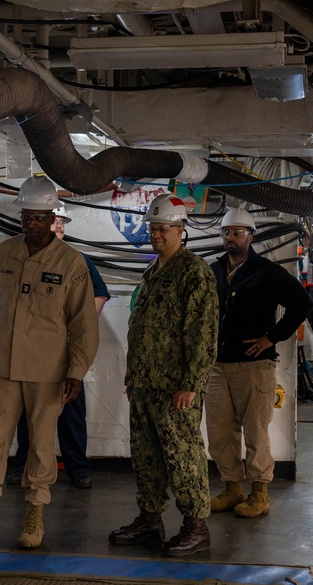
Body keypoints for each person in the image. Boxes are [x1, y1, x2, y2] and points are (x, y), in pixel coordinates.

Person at [0, 176, 98, 550]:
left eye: (38, 217)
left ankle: (34, 518)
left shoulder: (71, 263)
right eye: (26, 217)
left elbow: (84, 326)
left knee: (43, 447)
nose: (30, 223)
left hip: (48, 373)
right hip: (4, 369)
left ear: (51, 217)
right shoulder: (6, 253)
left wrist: (76, 372)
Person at [109, 193, 218, 556]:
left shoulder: (194, 272)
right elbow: (142, 328)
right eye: (153, 228)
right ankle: (150, 519)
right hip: (144, 384)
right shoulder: (154, 270)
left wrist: (191, 384)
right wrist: (132, 378)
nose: (155, 234)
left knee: (183, 457)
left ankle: (196, 526)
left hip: (174, 388)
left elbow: (203, 335)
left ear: (180, 229)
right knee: (147, 457)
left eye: (163, 228)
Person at [205, 207, 313, 518]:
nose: (231, 237)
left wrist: (272, 337)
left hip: (254, 367)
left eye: (238, 232)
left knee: (255, 432)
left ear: (251, 236)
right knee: (219, 432)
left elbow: (302, 304)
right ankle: (232, 488)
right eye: (226, 232)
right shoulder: (213, 271)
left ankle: (259, 492)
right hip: (217, 365)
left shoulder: (267, 272)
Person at [8, 209, 110, 489]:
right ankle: (23, 466)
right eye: (54, 221)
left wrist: (79, 323)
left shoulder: (78, 261)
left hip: (66, 351)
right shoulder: (22, 258)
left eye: (61, 222)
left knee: (71, 411)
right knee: (27, 411)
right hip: (33, 349)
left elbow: (100, 293)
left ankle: (77, 467)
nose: (58, 226)